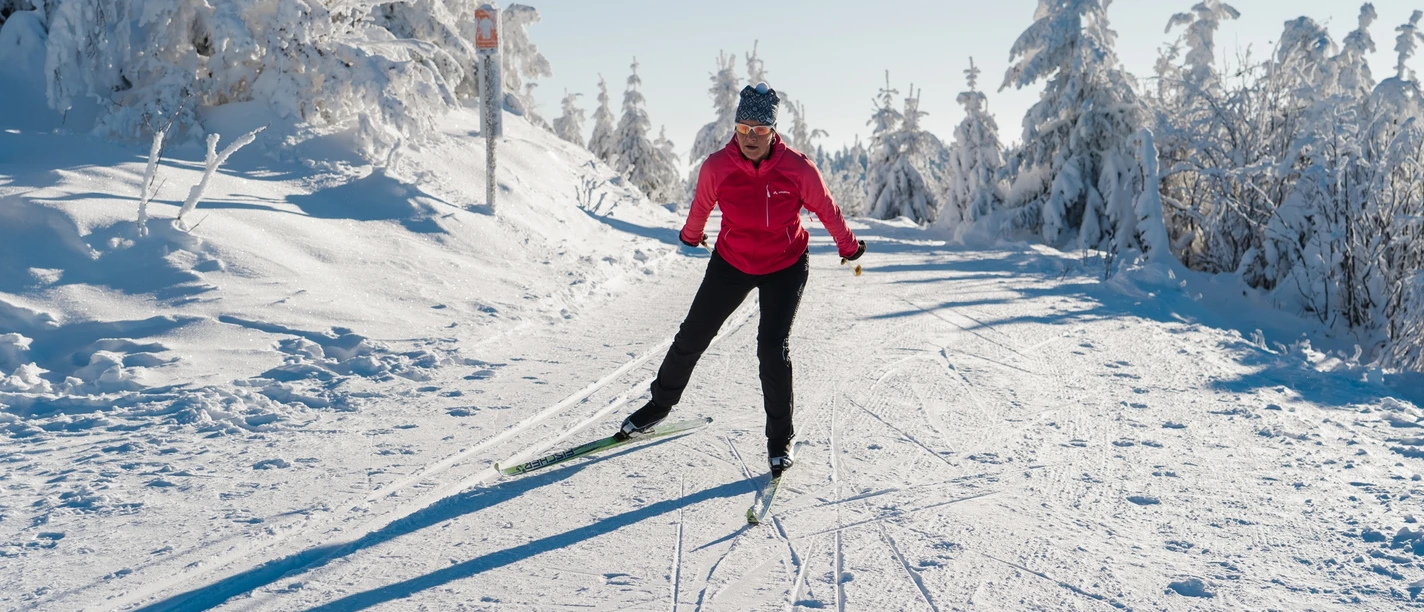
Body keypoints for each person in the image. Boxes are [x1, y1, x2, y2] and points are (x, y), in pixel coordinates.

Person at [616, 82, 865, 476]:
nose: (751, 137)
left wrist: (848, 247)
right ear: (735, 128)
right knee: (692, 336)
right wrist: (690, 234)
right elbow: (702, 205)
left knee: (772, 348)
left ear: (773, 131)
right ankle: (659, 406)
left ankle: (780, 438)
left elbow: (826, 208)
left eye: (760, 130)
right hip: (731, 261)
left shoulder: (797, 168)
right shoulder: (718, 166)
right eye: (744, 128)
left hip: (785, 264)